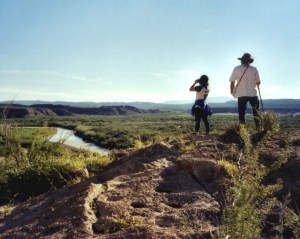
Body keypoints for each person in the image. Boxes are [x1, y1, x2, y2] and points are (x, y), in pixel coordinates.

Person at [229, 53, 261, 128]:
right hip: (253, 93)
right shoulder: (254, 69)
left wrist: (231, 92)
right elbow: (258, 82)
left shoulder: (237, 68)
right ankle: (258, 127)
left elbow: (232, 81)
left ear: (242, 60)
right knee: (256, 112)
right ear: (249, 61)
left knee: (242, 112)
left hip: (241, 93)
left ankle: (243, 129)